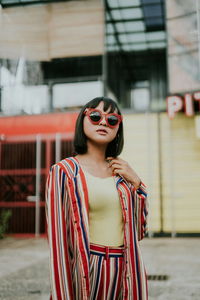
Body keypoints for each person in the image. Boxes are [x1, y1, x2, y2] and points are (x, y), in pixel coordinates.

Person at [45, 97, 148, 300]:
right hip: (87, 267)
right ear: (81, 121)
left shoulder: (122, 174)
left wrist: (137, 183)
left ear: (118, 128)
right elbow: (58, 244)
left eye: (112, 119)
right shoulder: (63, 172)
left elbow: (140, 230)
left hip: (126, 267)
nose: (103, 122)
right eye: (95, 116)